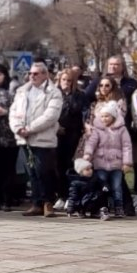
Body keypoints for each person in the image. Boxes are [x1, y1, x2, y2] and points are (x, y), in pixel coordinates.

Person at [9, 62, 64, 217]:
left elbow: (50, 116)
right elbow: (13, 112)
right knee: (32, 172)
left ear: (45, 75)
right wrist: (18, 128)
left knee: (44, 171)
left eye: (36, 73)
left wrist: (30, 129)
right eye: (30, 73)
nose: (32, 76)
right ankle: (36, 202)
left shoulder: (53, 92)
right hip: (24, 139)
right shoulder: (22, 91)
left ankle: (48, 202)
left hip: (43, 139)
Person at [82, 101, 133, 221]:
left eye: (107, 116)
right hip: (101, 163)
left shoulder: (122, 129)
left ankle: (118, 207)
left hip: (116, 164)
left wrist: (127, 162)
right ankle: (103, 207)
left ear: (113, 116)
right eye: (102, 116)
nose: (104, 119)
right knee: (102, 186)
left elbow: (127, 146)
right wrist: (87, 154)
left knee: (117, 187)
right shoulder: (97, 130)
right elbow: (91, 143)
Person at [55, 70, 88, 209]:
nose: (66, 83)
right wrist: (56, 126)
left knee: (70, 166)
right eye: (64, 80)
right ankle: (60, 195)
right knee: (57, 167)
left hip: (73, 135)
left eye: (69, 80)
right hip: (56, 134)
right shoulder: (54, 94)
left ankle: (70, 196)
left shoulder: (80, 95)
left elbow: (84, 112)